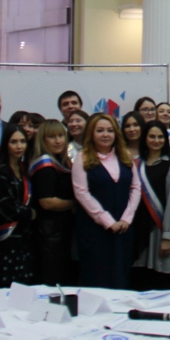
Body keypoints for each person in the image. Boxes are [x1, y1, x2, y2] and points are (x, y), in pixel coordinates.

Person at [72, 114, 140, 288]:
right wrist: (107, 221)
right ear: (91, 134)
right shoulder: (82, 156)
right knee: (97, 275)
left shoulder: (125, 155)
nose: (105, 135)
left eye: (110, 130)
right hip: (95, 229)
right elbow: (81, 192)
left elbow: (135, 187)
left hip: (123, 227)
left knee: (121, 273)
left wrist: (126, 218)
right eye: (100, 130)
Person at [131, 121, 170, 291]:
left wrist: (167, 236)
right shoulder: (134, 165)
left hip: (158, 230)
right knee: (138, 278)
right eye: (152, 136)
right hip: (137, 228)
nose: (156, 140)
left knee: (159, 280)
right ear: (144, 138)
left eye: (160, 137)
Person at [0, 125, 36, 288]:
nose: (19, 146)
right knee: (7, 285)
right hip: (6, 239)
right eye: (13, 142)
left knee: (25, 285)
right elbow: (7, 208)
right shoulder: (1, 172)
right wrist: (31, 214)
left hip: (25, 238)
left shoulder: (24, 169)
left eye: (22, 141)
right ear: (6, 144)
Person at [30, 120, 76, 287]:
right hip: (49, 232)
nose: (58, 141)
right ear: (43, 140)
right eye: (52, 137)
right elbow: (47, 202)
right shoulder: (45, 166)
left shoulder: (63, 161)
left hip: (62, 229)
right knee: (53, 280)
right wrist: (73, 204)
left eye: (61, 136)